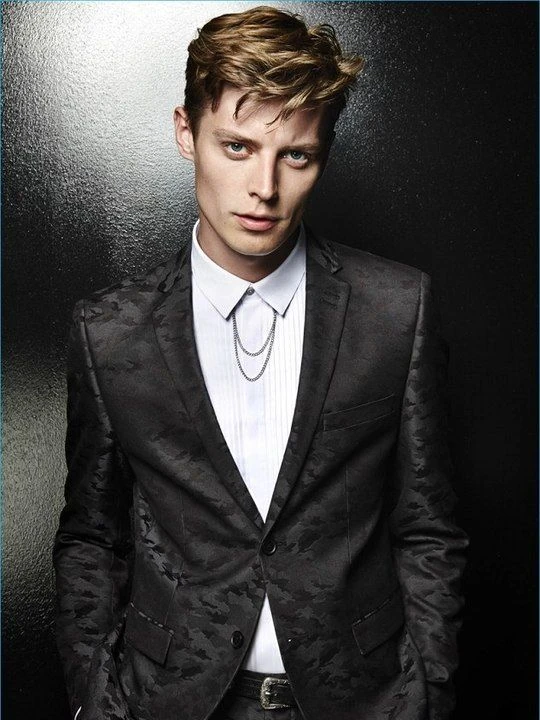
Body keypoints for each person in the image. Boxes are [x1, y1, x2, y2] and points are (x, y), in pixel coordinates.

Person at [53, 7, 468, 720]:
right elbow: (93, 537)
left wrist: (425, 691)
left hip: (361, 701)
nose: (264, 187)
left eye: (295, 156)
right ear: (186, 133)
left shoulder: (398, 309)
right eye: (237, 147)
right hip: (170, 702)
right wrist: (97, 699)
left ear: (323, 155)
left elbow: (428, 528)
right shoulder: (110, 332)